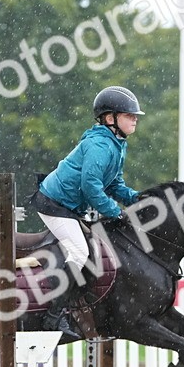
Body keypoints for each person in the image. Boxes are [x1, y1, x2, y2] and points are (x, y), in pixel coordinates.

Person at [30, 85, 144, 337]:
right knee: (80, 252)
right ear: (110, 118)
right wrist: (115, 212)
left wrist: (136, 198)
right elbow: (91, 187)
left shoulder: (116, 144)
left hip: (69, 207)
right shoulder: (100, 146)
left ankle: (76, 308)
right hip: (53, 204)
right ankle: (53, 316)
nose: (135, 119)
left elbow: (113, 184)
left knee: (95, 249)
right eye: (129, 115)